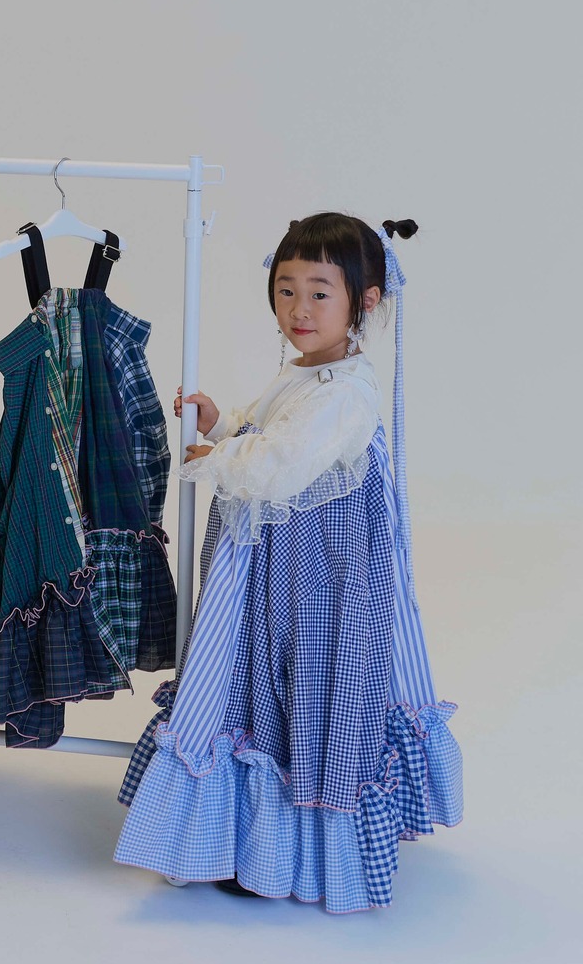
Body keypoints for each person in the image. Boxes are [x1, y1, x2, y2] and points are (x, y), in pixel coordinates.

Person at [114, 214, 462, 913]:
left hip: (321, 575)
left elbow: (283, 461)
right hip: (275, 564)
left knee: (307, 678)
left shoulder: (347, 392)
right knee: (260, 677)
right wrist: (221, 424)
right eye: (286, 290)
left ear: (364, 300)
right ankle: (243, 836)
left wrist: (221, 457)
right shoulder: (305, 373)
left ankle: (296, 844)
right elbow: (267, 425)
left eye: (319, 293)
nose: (299, 309)